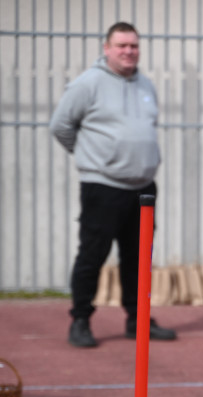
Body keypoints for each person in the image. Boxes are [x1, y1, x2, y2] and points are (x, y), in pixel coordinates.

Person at [50, 21, 176, 348]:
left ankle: (138, 319)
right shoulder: (87, 84)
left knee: (138, 258)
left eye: (133, 46)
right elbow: (61, 126)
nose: (128, 51)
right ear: (106, 48)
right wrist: (93, 157)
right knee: (93, 254)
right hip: (103, 186)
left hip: (144, 188)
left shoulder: (146, 85)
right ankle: (80, 320)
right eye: (121, 46)